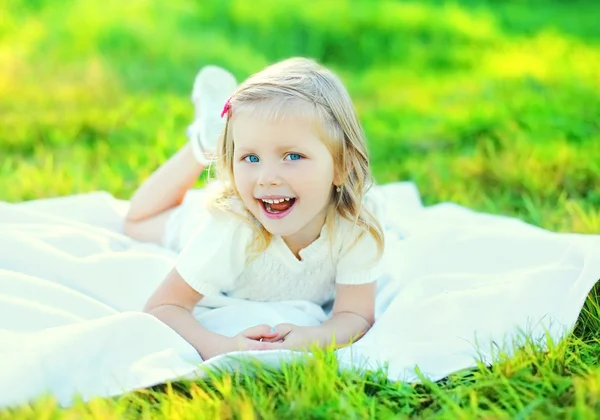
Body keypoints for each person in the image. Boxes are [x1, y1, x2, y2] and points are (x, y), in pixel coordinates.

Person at [124, 57, 386, 360]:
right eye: (250, 158)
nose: (267, 178)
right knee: (136, 220)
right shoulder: (230, 227)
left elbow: (355, 314)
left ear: (341, 166)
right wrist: (219, 346)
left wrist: (315, 337)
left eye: (292, 156)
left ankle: (224, 142)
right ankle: (205, 145)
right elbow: (162, 306)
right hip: (200, 220)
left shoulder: (356, 222)